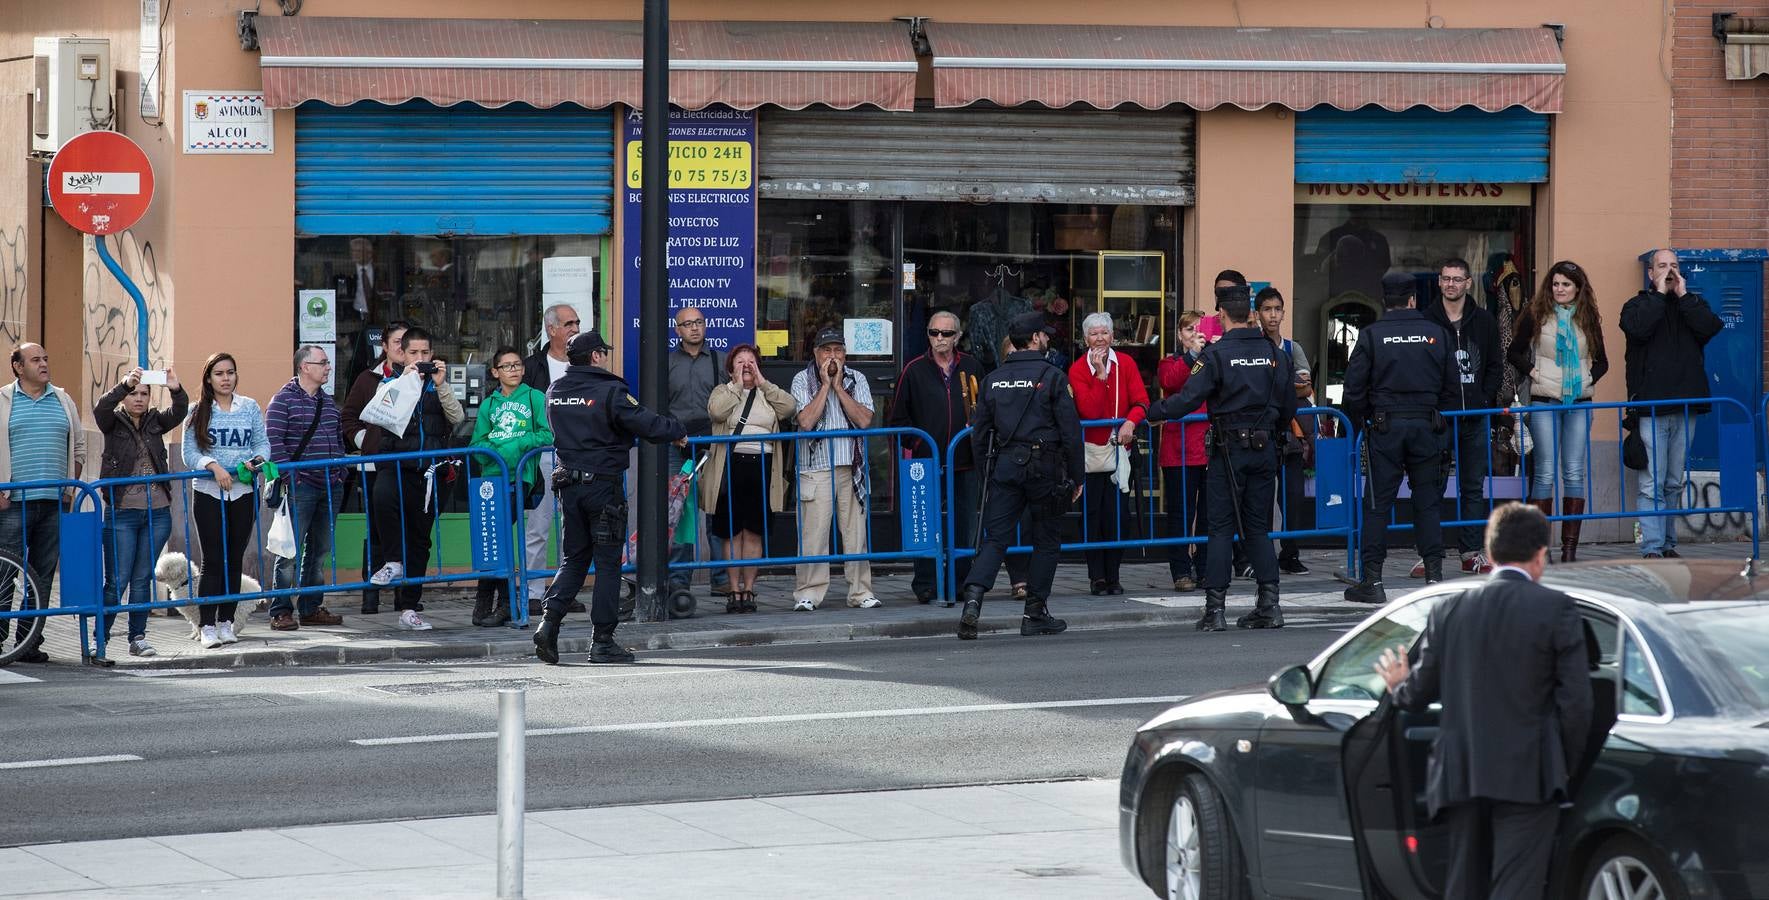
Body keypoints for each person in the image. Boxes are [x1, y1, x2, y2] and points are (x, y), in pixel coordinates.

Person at [1374, 502, 1592, 900]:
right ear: (1541, 555)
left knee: (1463, 886)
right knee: (1516, 887)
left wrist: (1397, 686)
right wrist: (1562, 768)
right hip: (1529, 777)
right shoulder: (1555, 608)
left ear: (1490, 556)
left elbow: (1419, 693)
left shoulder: (1449, 610)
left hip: (1461, 775)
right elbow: (1577, 705)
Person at [1146, 286, 1297, 631]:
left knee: (1219, 529)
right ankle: (1269, 605)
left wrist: (1152, 412)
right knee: (1259, 529)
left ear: (1223, 316)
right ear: (1252, 315)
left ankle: (1215, 610)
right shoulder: (1276, 355)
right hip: (1265, 451)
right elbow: (1288, 406)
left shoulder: (1215, 355)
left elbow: (1187, 399)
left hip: (1228, 452)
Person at [532, 331, 686, 665]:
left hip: (568, 486)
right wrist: (678, 430)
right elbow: (647, 424)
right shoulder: (610, 391)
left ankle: (549, 623)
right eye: (604, 352)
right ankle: (602, 642)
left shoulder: (555, 391)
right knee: (606, 565)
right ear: (596, 356)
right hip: (602, 488)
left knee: (573, 559)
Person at [957, 311, 1084, 641]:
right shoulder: (1053, 376)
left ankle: (972, 600)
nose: (1046, 338)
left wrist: (988, 472)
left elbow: (979, 432)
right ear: (1035, 339)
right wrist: (1077, 476)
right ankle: (1035, 613)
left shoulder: (992, 380)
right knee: (1045, 540)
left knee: (995, 538)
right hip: (1045, 469)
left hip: (1005, 469)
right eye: (1043, 335)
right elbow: (1071, 433)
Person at [1341, 274, 1459, 606]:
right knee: (1428, 504)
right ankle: (1435, 575)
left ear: (1385, 300)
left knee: (1377, 506)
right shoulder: (1437, 334)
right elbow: (1452, 388)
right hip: (1427, 426)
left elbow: (1353, 391)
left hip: (1385, 428)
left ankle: (1373, 581)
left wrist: (1367, 415)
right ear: (1412, 299)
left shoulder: (1371, 335)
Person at [1621, 250, 1723, 560]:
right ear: (1650, 273)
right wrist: (1661, 297)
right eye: (1663, 266)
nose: (1669, 271)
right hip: (1651, 406)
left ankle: (1668, 544)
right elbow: (1638, 329)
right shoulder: (1637, 305)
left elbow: (1710, 327)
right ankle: (1652, 548)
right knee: (1651, 482)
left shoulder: (1691, 305)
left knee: (1673, 481)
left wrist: (1683, 295)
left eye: (1674, 266)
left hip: (1685, 406)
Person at [1507, 260, 1608, 562]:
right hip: (1543, 401)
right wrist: (1535, 373)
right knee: (1546, 472)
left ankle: (1568, 551)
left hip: (1578, 403)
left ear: (1578, 288)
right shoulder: (1536, 314)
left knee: (1574, 472)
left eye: (1566, 284)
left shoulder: (1588, 318)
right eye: (1555, 284)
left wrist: (1587, 379)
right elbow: (1514, 352)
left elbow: (1603, 361)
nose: (1560, 289)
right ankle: (1541, 550)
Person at [366, 327, 463, 630]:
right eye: (413, 353)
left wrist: (441, 384)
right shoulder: (390, 382)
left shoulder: (438, 386)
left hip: (430, 472)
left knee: (420, 539)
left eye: (425, 353)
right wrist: (405, 381)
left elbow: (457, 417)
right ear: (402, 354)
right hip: (395, 466)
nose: (420, 359)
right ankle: (394, 560)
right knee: (382, 500)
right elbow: (382, 417)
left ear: (432, 354)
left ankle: (409, 607)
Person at [887, 311, 987, 603]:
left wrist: (977, 429)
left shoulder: (972, 366)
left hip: (965, 460)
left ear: (957, 336)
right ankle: (926, 584)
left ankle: (960, 583)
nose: (940, 339)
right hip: (925, 463)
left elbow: (985, 409)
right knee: (925, 525)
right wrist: (920, 443)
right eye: (934, 333)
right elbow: (898, 420)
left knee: (964, 525)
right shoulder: (914, 369)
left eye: (946, 333)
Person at [1417, 258, 1504, 578]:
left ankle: (1470, 552)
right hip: (1439, 416)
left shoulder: (1484, 321)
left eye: (1457, 279)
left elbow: (1496, 364)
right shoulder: (1426, 321)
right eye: (1446, 279)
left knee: (1472, 486)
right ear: (1438, 282)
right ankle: (1428, 552)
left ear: (1469, 283)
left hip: (1476, 415)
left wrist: (1485, 397)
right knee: (1431, 485)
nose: (1451, 284)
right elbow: (1421, 370)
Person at [181, 352, 272, 649]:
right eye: (219, 373)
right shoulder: (197, 411)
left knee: (235, 560)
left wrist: (255, 462)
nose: (225, 378)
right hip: (209, 493)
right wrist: (213, 466)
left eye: (230, 372)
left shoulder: (249, 407)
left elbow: (262, 444)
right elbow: (189, 454)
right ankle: (206, 625)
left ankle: (226, 622)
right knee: (213, 560)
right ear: (208, 378)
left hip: (244, 493)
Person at [94, 367, 185, 659]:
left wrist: (175, 388)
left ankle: (138, 638)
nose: (139, 398)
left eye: (144, 393)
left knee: (142, 577)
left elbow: (180, 411)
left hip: (157, 513)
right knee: (117, 580)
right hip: (122, 513)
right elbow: (101, 407)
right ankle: (100, 638)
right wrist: (124, 384)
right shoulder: (112, 421)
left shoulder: (156, 421)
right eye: (134, 393)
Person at [789, 327, 881, 611]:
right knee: (813, 535)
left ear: (845, 354)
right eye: (827, 351)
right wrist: (826, 385)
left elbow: (865, 420)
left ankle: (860, 592)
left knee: (856, 535)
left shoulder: (857, 379)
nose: (833, 356)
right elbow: (805, 421)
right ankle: (809, 594)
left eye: (838, 350)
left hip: (850, 468)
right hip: (815, 468)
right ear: (816, 354)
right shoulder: (802, 379)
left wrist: (839, 387)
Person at [704, 344, 795, 613]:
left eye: (751, 361)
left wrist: (762, 383)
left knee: (754, 531)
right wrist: (736, 387)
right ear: (731, 367)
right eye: (740, 362)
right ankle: (733, 589)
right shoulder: (723, 391)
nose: (746, 366)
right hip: (730, 466)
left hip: (763, 466)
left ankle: (749, 589)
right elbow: (717, 412)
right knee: (732, 532)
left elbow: (789, 408)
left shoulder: (767, 393)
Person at [264, 345, 347, 631]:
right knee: (288, 551)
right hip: (301, 488)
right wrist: (292, 480)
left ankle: (311, 607)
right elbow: (274, 445)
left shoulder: (329, 403)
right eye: (322, 362)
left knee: (320, 551)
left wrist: (340, 472)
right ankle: (281, 610)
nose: (328, 367)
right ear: (304, 367)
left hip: (330, 485)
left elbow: (338, 442)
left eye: (327, 362)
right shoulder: (282, 401)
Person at [469, 347, 553, 627]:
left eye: (517, 365)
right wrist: (498, 452)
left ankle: (502, 604)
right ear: (495, 372)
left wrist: (511, 446)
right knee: (493, 540)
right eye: (506, 366)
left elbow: (545, 433)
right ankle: (486, 606)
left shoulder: (535, 398)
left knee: (500, 537)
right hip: (491, 481)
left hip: (520, 478)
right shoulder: (488, 405)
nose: (514, 370)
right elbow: (477, 445)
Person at [1070, 312, 1150, 595]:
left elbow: (1142, 401)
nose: (1100, 338)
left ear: (1113, 336)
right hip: (1091, 455)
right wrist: (1101, 376)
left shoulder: (1126, 363)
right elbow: (1089, 410)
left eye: (1105, 333)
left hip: (1119, 453)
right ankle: (1097, 577)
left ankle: (1114, 576)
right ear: (1085, 339)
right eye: (1094, 334)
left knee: (1117, 516)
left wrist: (1131, 421)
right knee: (1092, 516)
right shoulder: (1078, 369)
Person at [339, 320, 407, 614]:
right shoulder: (368, 379)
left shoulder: (419, 378)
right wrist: (366, 440)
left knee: (410, 531)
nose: (403, 349)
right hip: (375, 466)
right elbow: (348, 417)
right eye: (398, 343)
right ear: (385, 347)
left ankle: (406, 597)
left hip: (409, 466)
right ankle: (372, 593)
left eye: (408, 343)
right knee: (377, 529)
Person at [666, 305, 732, 600]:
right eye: (687, 324)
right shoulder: (666, 362)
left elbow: (731, 402)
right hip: (677, 445)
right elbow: (657, 406)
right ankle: (680, 579)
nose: (694, 328)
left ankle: (721, 578)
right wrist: (673, 434)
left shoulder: (719, 359)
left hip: (714, 443)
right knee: (680, 510)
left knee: (715, 509)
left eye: (699, 322)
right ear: (677, 329)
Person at [519, 303, 582, 613]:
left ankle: (563, 593)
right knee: (538, 525)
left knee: (570, 526)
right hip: (543, 455)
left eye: (577, 323)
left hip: (576, 455)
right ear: (552, 329)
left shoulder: (582, 364)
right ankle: (532, 592)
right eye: (569, 323)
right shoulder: (533, 367)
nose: (574, 328)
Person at [1255, 287, 1314, 576]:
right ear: (1257, 314)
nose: (1273, 315)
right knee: (1261, 498)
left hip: (1290, 434)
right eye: (1268, 309)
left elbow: (1304, 384)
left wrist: (1281, 384)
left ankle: (1290, 554)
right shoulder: (1253, 346)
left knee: (1292, 497)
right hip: (1261, 433)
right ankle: (1262, 556)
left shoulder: (1292, 348)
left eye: (1278, 309)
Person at [1157, 311, 1211, 592]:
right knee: (1180, 514)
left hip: (1208, 447)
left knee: (1207, 514)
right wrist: (1193, 355)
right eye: (1188, 329)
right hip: (1178, 450)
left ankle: (1204, 568)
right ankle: (1180, 571)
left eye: (1198, 329)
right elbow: (1171, 382)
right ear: (1180, 335)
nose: (1193, 333)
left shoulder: (1213, 359)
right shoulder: (1171, 361)